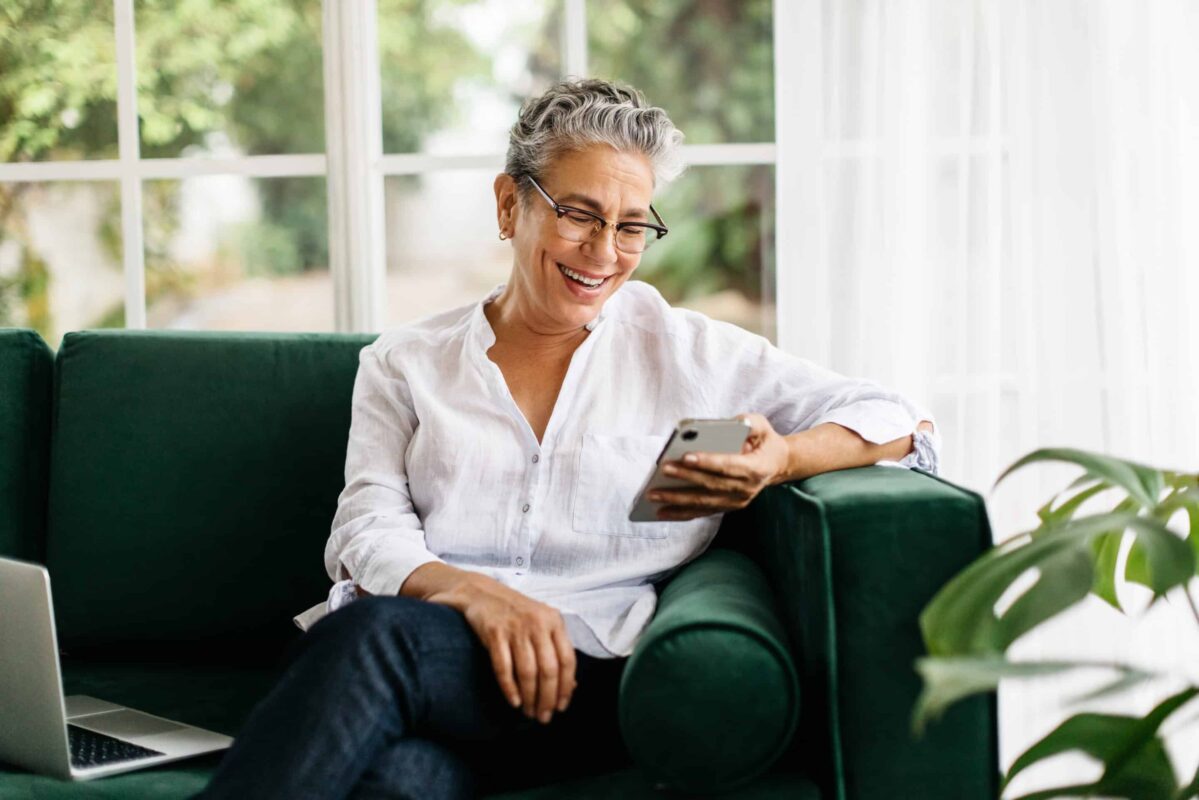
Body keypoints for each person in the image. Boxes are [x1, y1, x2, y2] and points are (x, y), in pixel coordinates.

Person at [196, 78, 939, 800]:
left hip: (579, 681)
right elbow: (365, 525)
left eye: (630, 225)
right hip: (439, 657)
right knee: (403, 782)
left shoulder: (686, 351)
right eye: (579, 214)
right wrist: (476, 595)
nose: (603, 252)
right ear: (508, 203)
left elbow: (899, 415)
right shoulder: (405, 361)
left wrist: (784, 458)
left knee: (371, 637)